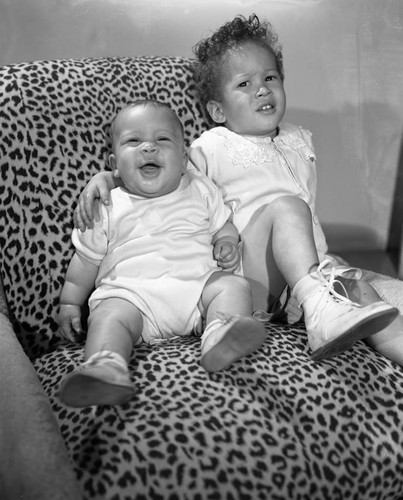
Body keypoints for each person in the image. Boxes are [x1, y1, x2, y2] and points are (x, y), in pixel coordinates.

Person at [73, 14, 401, 364]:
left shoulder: (298, 138)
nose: (262, 89)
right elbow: (162, 172)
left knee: (377, 300)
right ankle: (317, 306)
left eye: (270, 77)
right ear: (217, 110)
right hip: (250, 278)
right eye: (244, 84)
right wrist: (108, 179)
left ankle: (330, 308)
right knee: (287, 208)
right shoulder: (212, 146)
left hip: (307, 273)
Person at [58, 99, 267, 408]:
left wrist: (226, 242)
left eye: (162, 139)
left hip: (197, 293)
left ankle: (220, 333)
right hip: (133, 299)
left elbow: (225, 226)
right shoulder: (107, 206)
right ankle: (106, 364)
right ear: (114, 163)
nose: (149, 148)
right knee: (109, 314)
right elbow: (85, 262)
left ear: (184, 160)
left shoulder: (200, 188)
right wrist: (69, 302)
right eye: (134, 141)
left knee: (232, 286)